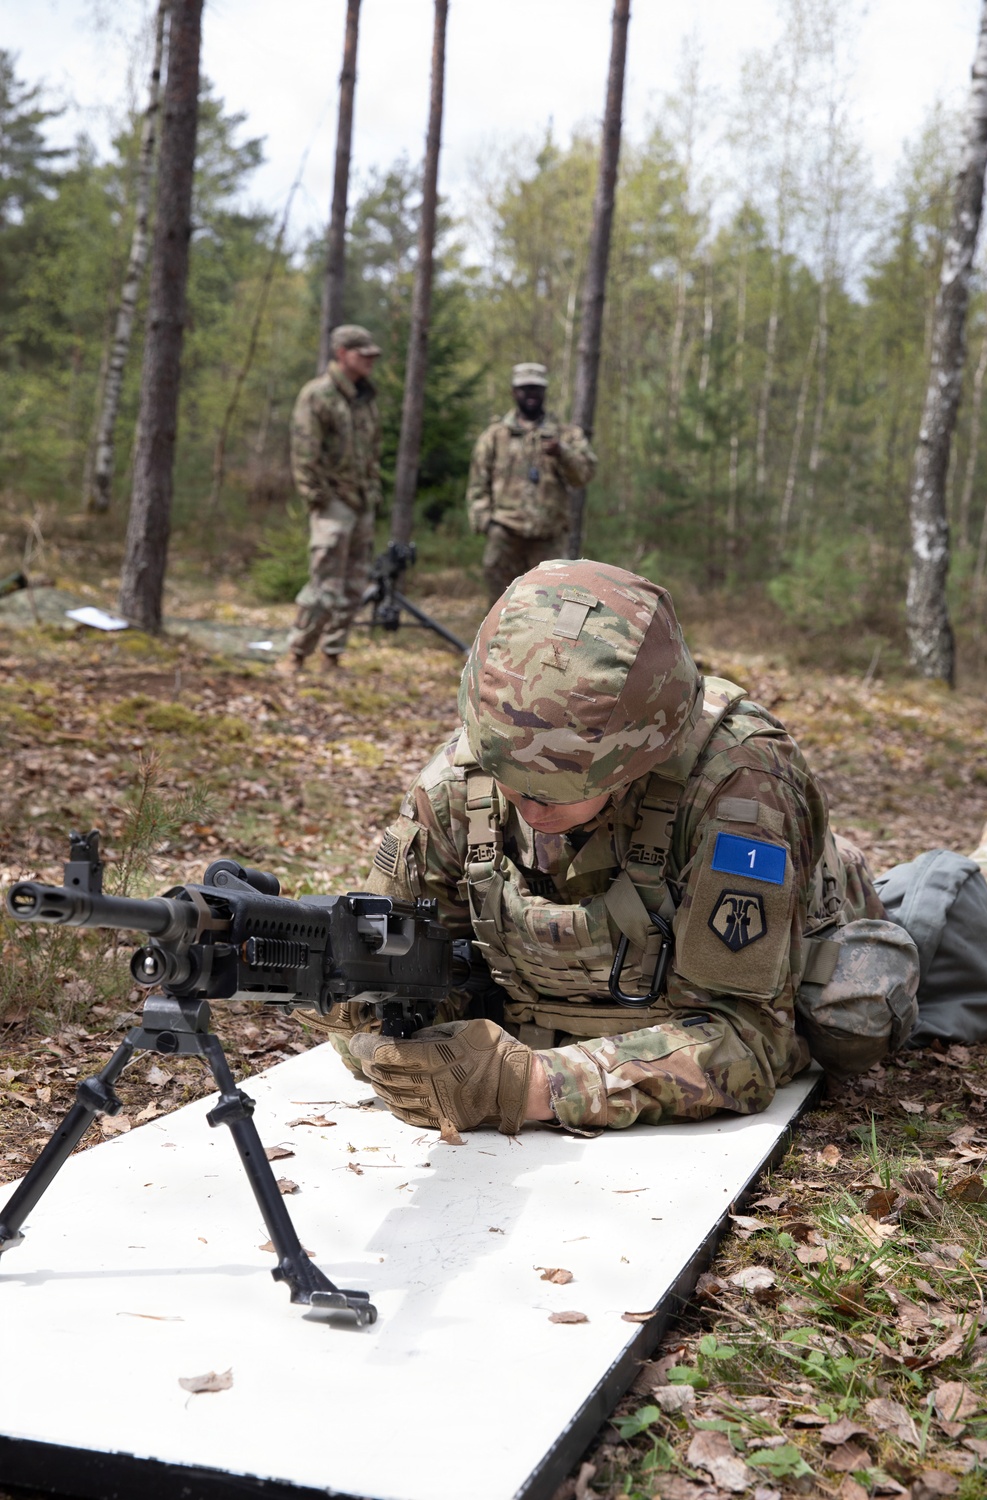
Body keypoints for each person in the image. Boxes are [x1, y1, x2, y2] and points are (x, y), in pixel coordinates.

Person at [322, 559, 908, 1137]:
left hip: (800, 918)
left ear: (643, 758)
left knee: (857, 1002)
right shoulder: (460, 782)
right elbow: (390, 973)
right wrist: (381, 1033)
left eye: (563, 786)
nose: (532, 808)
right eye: (513, 776)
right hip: (577, 999)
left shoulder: (739, 786)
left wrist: (533, 1086)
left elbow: (751, 1040)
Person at [279, 325, 383, 676]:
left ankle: (332, 656)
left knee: (354, 587)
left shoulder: (366, 398)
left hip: (361, 503)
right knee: (325, 585)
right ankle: (296, 654)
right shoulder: (318, 395)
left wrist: (372, 492)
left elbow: (373, 451)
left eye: (371, 354)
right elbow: (304, 452)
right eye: (362, 353)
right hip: (333, 503)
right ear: (341, 354)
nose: (370, 360)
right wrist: (318, 499)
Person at [466, 364, 597, 606]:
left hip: (549, 537)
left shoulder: (565, 434)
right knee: (501, 607)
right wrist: (486, 523)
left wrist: (562, 453)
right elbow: (478, 482)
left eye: (536, 389)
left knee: (550, 607)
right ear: (514, 392)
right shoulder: (495, 436)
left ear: (544, 392)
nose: (531, 395)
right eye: (525, 389)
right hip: (505, 533)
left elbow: (584, 475)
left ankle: (547, 646)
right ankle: (498, 645)